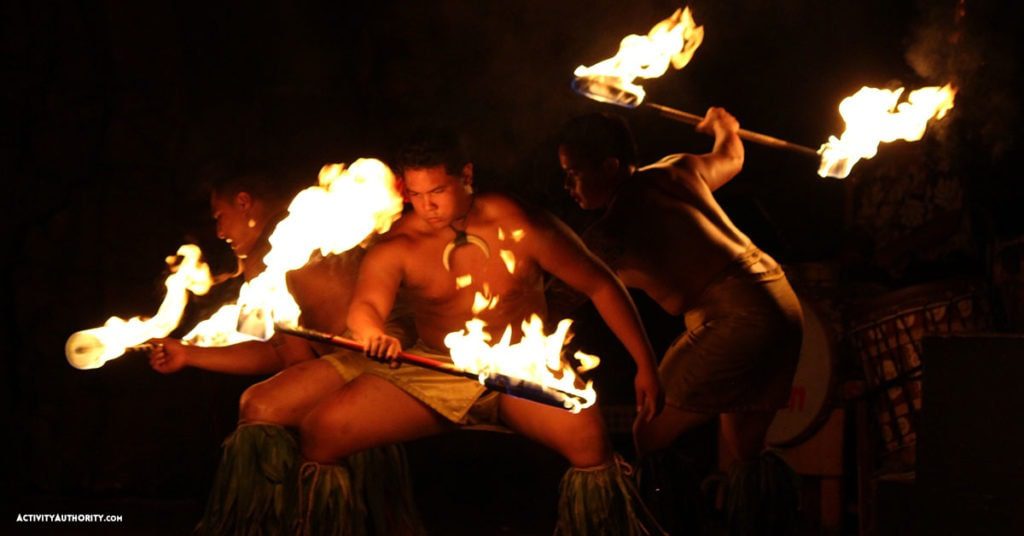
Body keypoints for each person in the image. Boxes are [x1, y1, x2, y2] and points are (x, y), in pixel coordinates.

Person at [298, 126, 666, 534]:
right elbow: (366, 307)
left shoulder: (519, 222)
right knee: (323, 431)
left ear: (466, 176)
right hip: (436, 367)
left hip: (522, 364)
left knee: (589, 441)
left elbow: (600, 284)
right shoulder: (398, 243)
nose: (427, 206)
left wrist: (645, 364)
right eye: (415, 195)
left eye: (436, 190)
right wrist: (372, 332)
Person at [557, 108, 803, 533]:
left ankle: (670, 528)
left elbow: (559, 297)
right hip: (781, 302)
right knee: (746, 448)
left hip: (735, 317)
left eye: (575, 173)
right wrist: (725, 126)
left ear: (610, 167)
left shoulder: (615, 230)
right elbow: (732, 156)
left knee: (648, 435)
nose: (568, 186)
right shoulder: (677, 169)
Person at [148, 165, 421, 535]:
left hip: (383, 355)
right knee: (266, 404)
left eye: (220, 218)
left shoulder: (305, 229)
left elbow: (292, 357)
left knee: (260, 405)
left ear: (244, 203)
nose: (219, 232)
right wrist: (189, 354)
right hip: (341, 366)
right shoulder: (262, 265)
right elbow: (280, 352)